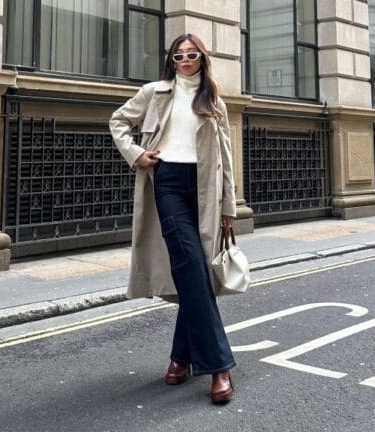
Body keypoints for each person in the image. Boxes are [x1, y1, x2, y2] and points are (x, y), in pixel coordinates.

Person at [109, 33, 238, 404]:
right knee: (189, 261)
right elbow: (118, 121)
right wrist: (135, 153)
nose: (184, 60)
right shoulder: (154, 92)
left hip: (204, 189)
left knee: (193, 272)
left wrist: (229, 206)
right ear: (171, 59)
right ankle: (219, 366)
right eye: (178, 55)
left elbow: (226, 158)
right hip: (167, 182)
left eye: (191, 54)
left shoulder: (214, 101)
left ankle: (180, 357)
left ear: (202, 58)